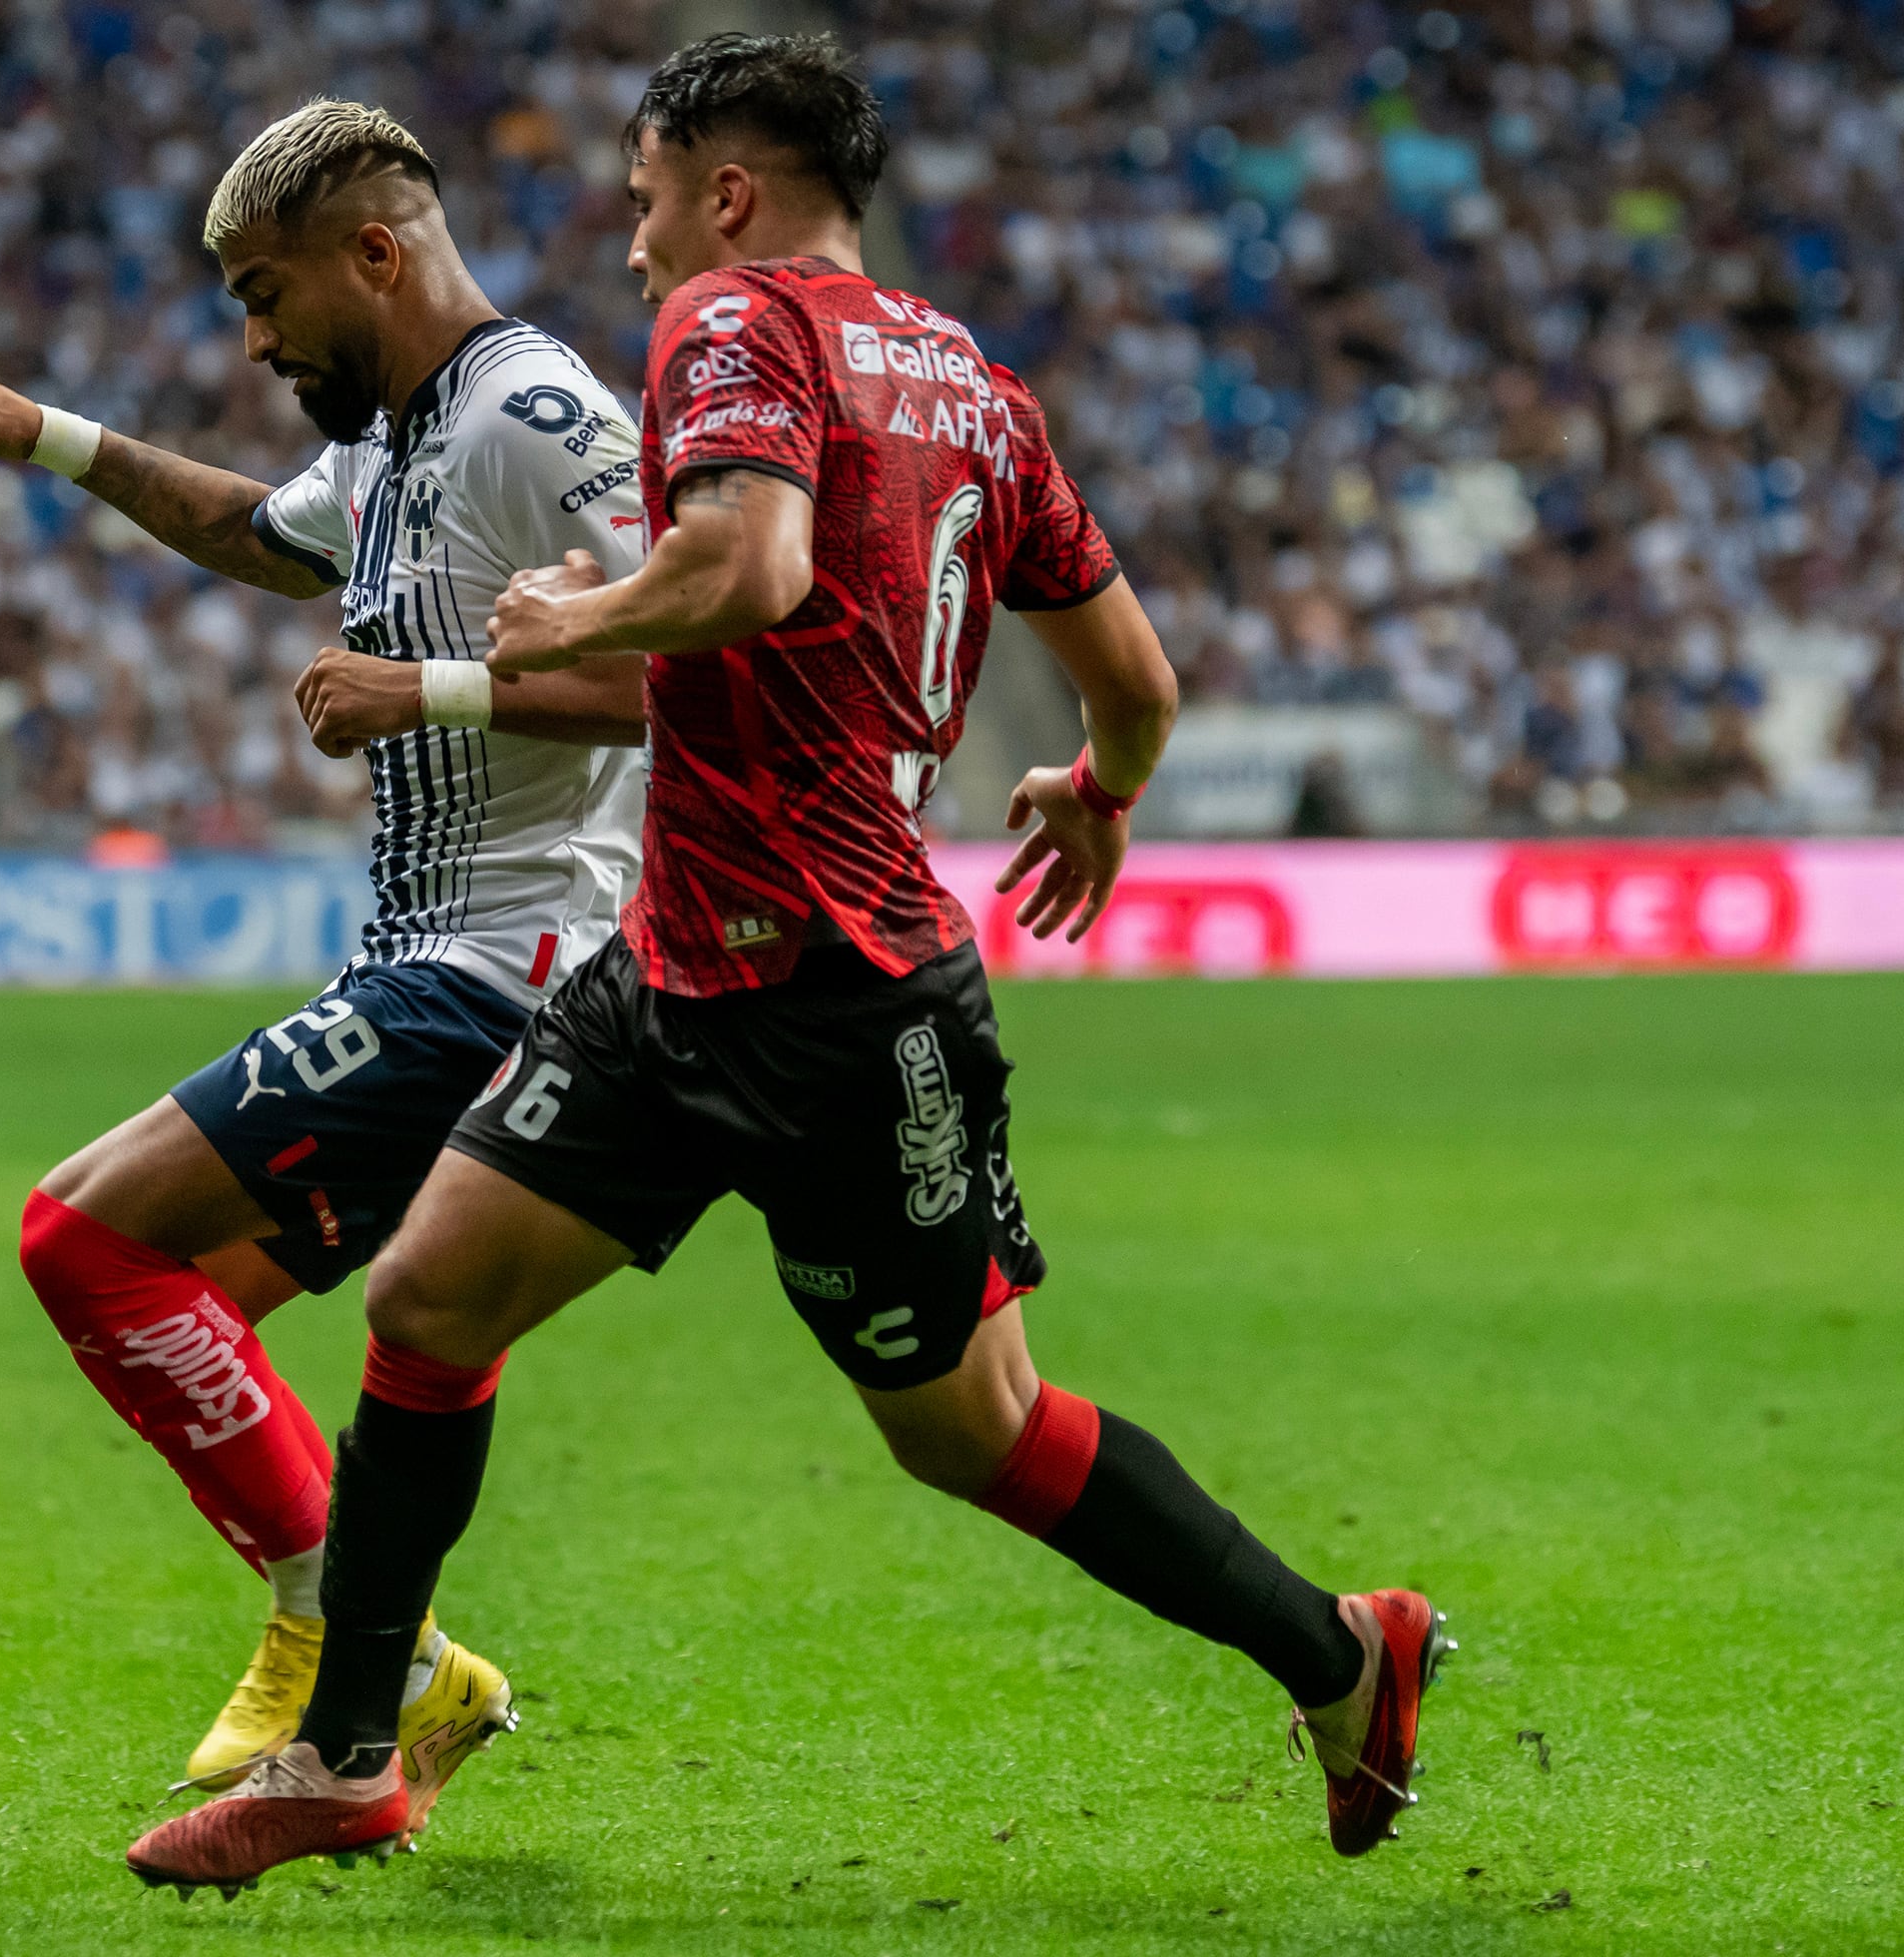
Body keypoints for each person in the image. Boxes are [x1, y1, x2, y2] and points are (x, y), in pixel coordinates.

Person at [127, 35, 1445, 1894]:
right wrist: (1100, 788)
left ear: (727, 190)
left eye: (652, 194)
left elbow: (747, 565)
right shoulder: (979, 385)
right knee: (425, 1306)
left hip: (840, 1000)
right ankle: (350, 1756)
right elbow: (1134, 681)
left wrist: (554, 620)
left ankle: (1341, 1648)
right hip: (671, 969)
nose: (640, 238)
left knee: (974, 1432)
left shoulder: (737, 321)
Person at [0, 101, 651, 1825]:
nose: (254, 339)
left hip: (507, 972)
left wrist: (430, 689)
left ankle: (354, 1646)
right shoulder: (398, 440)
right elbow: (265, 534)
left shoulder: (538, 417)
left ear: (375, 254)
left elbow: (716, 657)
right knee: (187, 1311)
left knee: (82, 1237)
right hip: (429, 961)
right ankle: (372, 1654)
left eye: (265, 294)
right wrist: (53, 438)